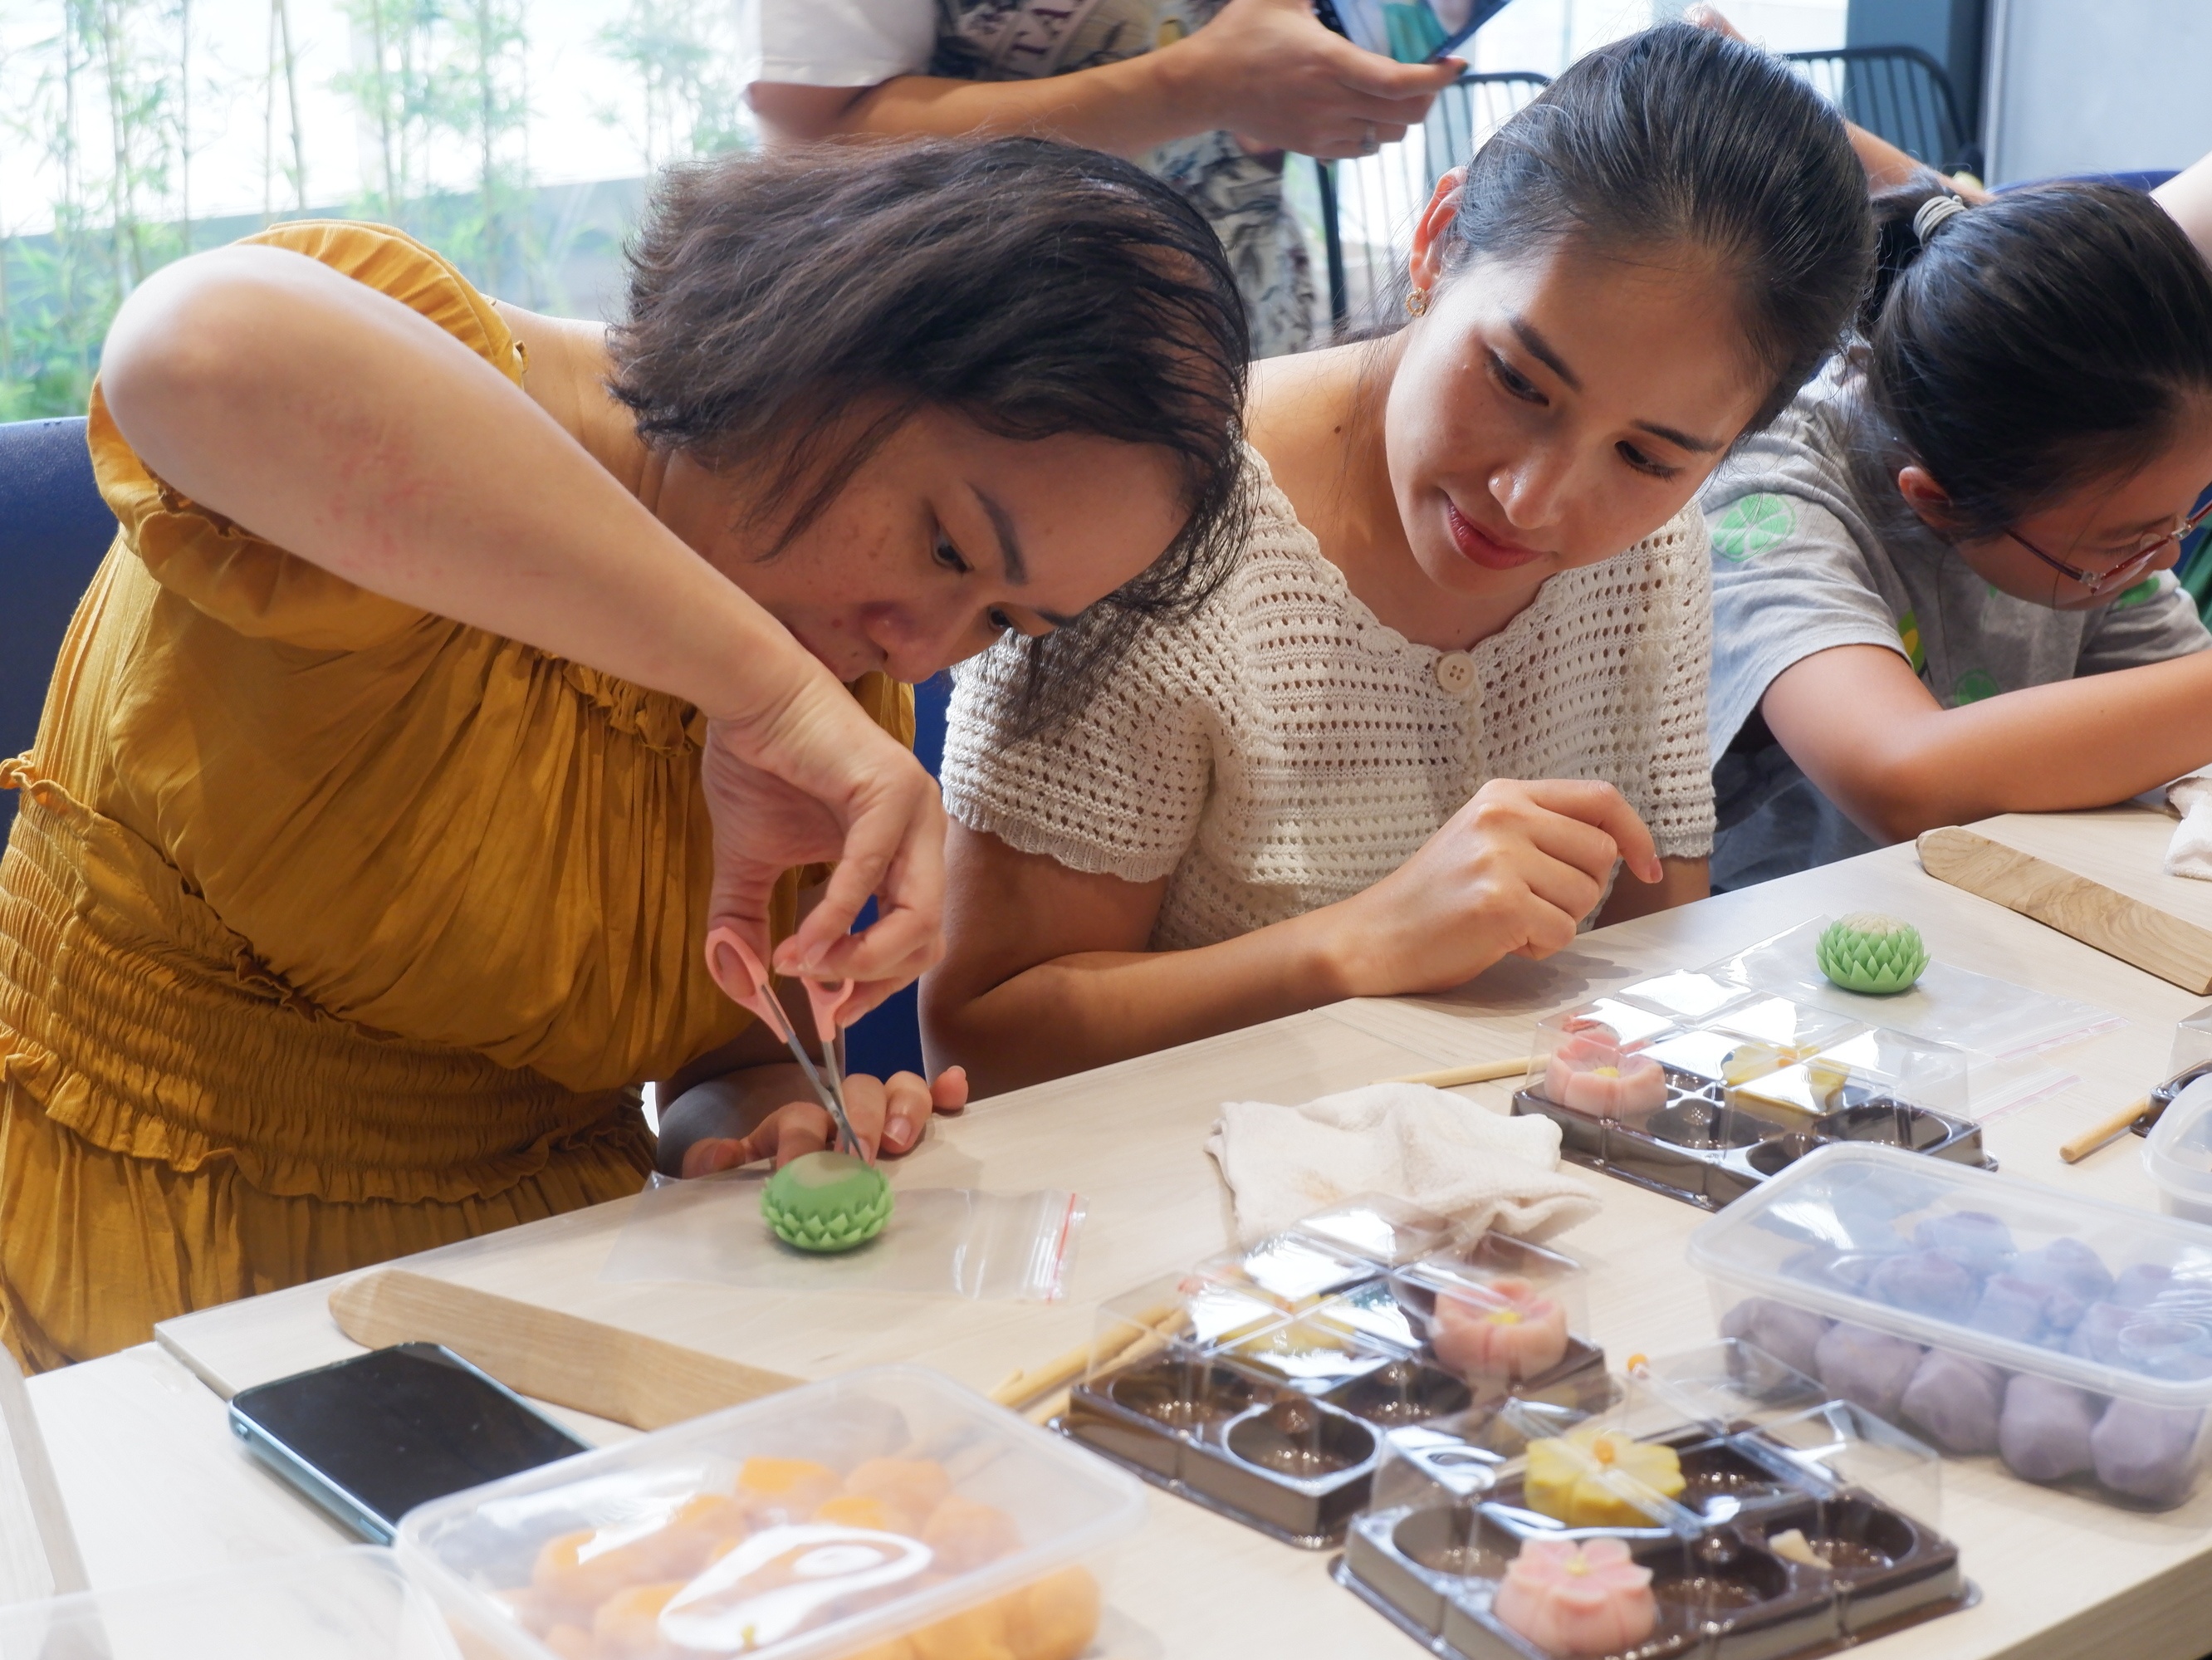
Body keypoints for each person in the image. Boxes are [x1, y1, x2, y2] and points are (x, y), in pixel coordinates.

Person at [0, 138, 1249, 1369]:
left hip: (527, 1306)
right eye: (943, 546)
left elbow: (722, 1055)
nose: (920, 652)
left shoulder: (836, 690)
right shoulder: (439, 383)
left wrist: (779, 1121)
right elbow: (194, 354)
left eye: (998, 621)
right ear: (830, 340)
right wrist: (756, 692)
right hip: (124, 1264)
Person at [920, 23, 1873, 1094]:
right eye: (1518, 381)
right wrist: (1353, 945)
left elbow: (1648, 959)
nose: (1533, 499)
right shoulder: (1152, 529)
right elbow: (985, 1039)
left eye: (1647, 455)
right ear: (1437, 240)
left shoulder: (1653, 555)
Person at [1701, 145, 2212, 889]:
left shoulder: (2097, 522)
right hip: (1758, 946)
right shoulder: (1769, 495)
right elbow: (1901, 775)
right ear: (1937, 502)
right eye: (2129, 542)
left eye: (2190, 513)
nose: (2165, 559)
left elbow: (2180, 718)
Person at [746, 0, 1465, 358]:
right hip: (983, 375)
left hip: (1235, 348)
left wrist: (1318, 81)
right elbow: (810, 144)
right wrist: (1197, 87)